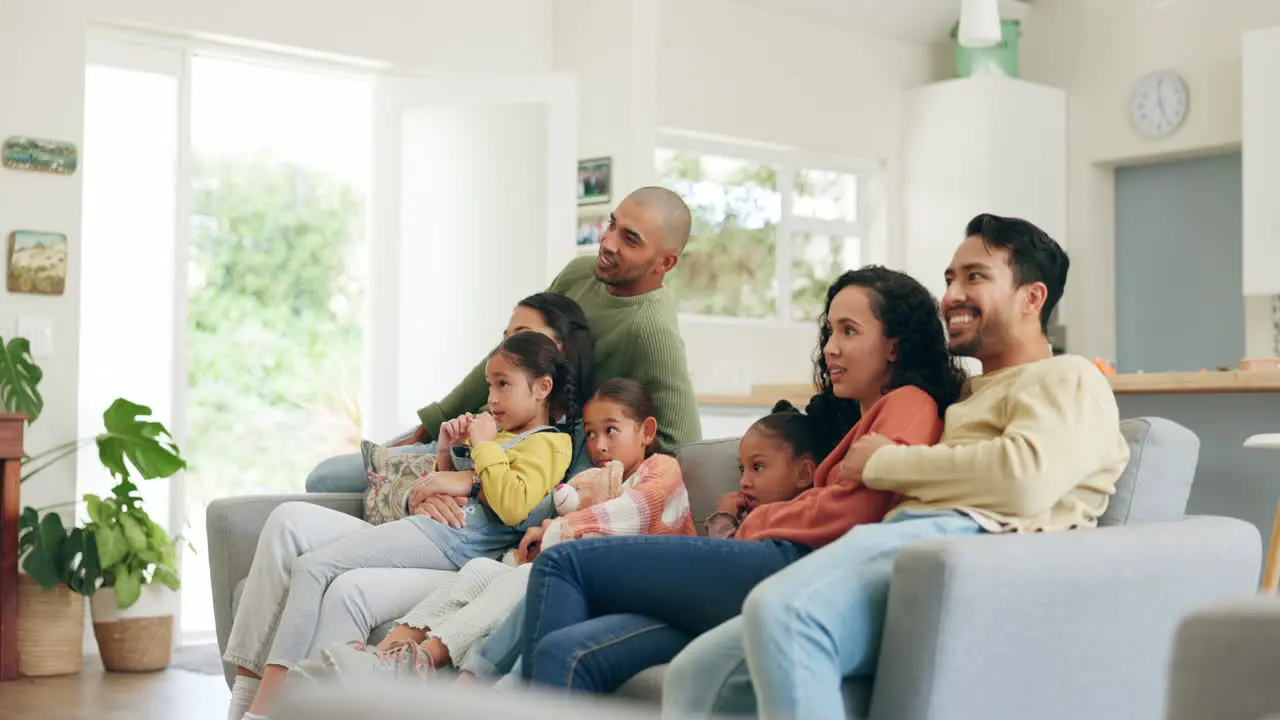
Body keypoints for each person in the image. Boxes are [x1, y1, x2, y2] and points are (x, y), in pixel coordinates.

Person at [662, 213, 1132, 719]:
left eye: (975, 276)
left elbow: (1025, 479)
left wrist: (887, 462)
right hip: (908, 542)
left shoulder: (1068, 377)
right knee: (701, 669)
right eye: (950, 278)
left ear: (1032, 298)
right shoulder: (967, 396)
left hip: (967, 546)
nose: (952, 294)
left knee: (786, 613)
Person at [515, 266, 968, 693]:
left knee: (563, 562)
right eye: (830, 330)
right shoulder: (862, 419)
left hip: (787, 564)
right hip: (768, 564)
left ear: (894, 344)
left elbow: (856, 511)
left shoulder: (909, 403)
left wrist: (760, 520)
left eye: (849, 331)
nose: (831, 346)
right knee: (567, 653)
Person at [225, 331, 582, 720]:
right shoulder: (498, 434)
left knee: (314, 566)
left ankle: (264, 712)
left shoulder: (551, 443)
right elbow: (440, 493)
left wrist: (482, 447)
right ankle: (282, 705)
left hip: (455, 547)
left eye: (503, 385)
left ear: (542, 388)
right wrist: (446, 455)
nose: (492, 398)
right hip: (432, 533)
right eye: (489, 385)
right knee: (306, 546)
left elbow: (512, 505)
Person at [306, 186, 701, 493]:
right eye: (612, 224)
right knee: (326, 476)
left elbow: (682, 447)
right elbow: (509, 355)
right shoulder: (580, 273)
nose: (609, 242)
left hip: (521, 456)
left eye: (630, 239)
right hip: (475, 428)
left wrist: (583, 480)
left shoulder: (652, 333)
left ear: (664, 262)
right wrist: (430, 425)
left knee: (326, 480)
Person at [317, 378, 696, 682]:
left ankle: (426, 658)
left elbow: (629, 515)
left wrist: (554, 530)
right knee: (482, 571)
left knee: (527, 578)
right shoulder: (595, 479)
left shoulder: (661, 470)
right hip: (578, 574)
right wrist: (531, 546)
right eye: (593, 434)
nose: (599, 445)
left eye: (611, 431)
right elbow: (570, 525)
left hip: (635, 588)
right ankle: (386, 653)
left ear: (646, 431)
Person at [307, 292, 596, 492]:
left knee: (323, 479)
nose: (506, 348)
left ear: (561, 347)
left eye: (521, 335)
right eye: (505, 337)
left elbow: (530, 496)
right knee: (323, 477)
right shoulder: (502, 402)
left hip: (454, 472)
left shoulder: (568, 433)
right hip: (442, 445)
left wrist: (463, 478)